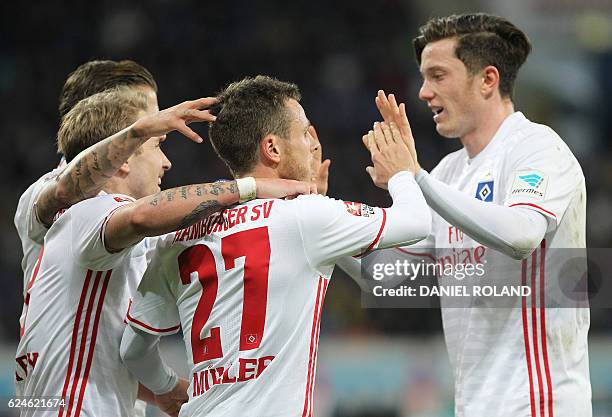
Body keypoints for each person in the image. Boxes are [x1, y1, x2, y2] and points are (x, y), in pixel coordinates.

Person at [119, 75, 432, 417]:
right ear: (273, 148)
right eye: (303, 134)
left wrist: (168, 390)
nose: (312, 144)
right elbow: (417, 222)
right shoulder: (305, 216)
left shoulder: (178, 234)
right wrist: (403, 171)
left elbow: (133, 350)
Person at [344, 13, 589, 417]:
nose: (423, 92)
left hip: (539, 404)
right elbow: (383, 275)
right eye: (423, 77)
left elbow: (522, 235)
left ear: (488, 80)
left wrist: (414, 178)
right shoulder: (448, 174)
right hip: (474, 405)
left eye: (438, 75)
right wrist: (317, 217)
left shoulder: (538, 149)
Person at [16, 86, 312, 417]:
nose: (167, 162)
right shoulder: (88, 212)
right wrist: (250, 188)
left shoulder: (105, 236)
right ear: (124, 158)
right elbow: (142, 216)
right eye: (158, 146)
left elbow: (107, 352)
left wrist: (164, 389)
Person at [15, 60, 160, 339]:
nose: (156, 131)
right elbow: (63, 193)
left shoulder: (132, 201)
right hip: (64, 378)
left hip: (114, 376)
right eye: (146, 123)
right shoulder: (43, 194)